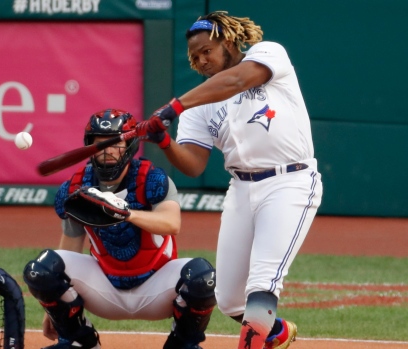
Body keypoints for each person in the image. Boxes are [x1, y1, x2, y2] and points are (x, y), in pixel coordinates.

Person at [136, 11, 323, 349]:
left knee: (262, 283)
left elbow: (236, 81)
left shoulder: (267, 54)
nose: (201, 60)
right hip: (241, 189)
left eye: (206, 50)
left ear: (228, 40)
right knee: (229, 299)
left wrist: (172, 107)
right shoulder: (198, 105)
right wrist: (164, 140)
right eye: (194, 56)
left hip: (289, 182)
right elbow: (193, 165)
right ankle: (277, 333)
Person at [23, 109, 217, 349]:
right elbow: (70, 248)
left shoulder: (152, 179)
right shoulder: (76, 187)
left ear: (130, 145)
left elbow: (171, 223)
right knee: (41, 269)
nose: (109, 150)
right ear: (90, 146)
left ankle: (182, 344)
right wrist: (53, 310)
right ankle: (79, 340)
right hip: (105, 288)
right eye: (100, 143)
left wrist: (126, 214)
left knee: (202, 277)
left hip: (156, 286)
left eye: (117, 143)